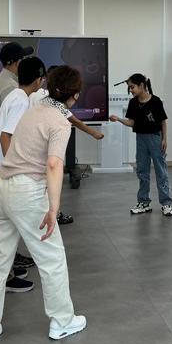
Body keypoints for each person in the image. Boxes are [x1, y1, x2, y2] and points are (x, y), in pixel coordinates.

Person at [0, 66, 86, 344]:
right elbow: (55, 164)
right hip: (27, 193)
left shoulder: (32, 109)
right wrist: (53, 207)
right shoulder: (59, 121)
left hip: (2, 187)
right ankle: (62, 320)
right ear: (76, 95)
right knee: (52, 258)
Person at [0, 56, 48, 293]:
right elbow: (6, 137)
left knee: (6, 229)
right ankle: (8, 276)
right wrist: (15, 168)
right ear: (39, 80)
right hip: (4, 172)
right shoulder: (21, 100)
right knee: (6, 232)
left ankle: (10, 269)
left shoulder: (15, 95)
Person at [0, 42, 35, 268]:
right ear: (14, 62)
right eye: (22, 59)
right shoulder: (11, 89)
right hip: (1, 154)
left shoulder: (1, 81)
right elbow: (10, 132)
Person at [30, 64, 105, 225]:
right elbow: (53, 164)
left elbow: (73, 118)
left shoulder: (44, 102)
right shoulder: (55, 114)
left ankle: (52, 212)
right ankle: (54, 213)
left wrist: (93, 132)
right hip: (38, 164)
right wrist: (53, 210)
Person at [109, 73, 172, 216]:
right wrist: (118, 119)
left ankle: (166, 203)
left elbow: (163, 122)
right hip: (141, 139)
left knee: (161, 171)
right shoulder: (133, 103)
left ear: (142, 86)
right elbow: (131, 122)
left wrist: (165, 139)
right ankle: (144, 202)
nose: (131, 90)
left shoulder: (156, 101)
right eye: (129, 87)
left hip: (156, 139)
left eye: (132, 87)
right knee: (142, 171)